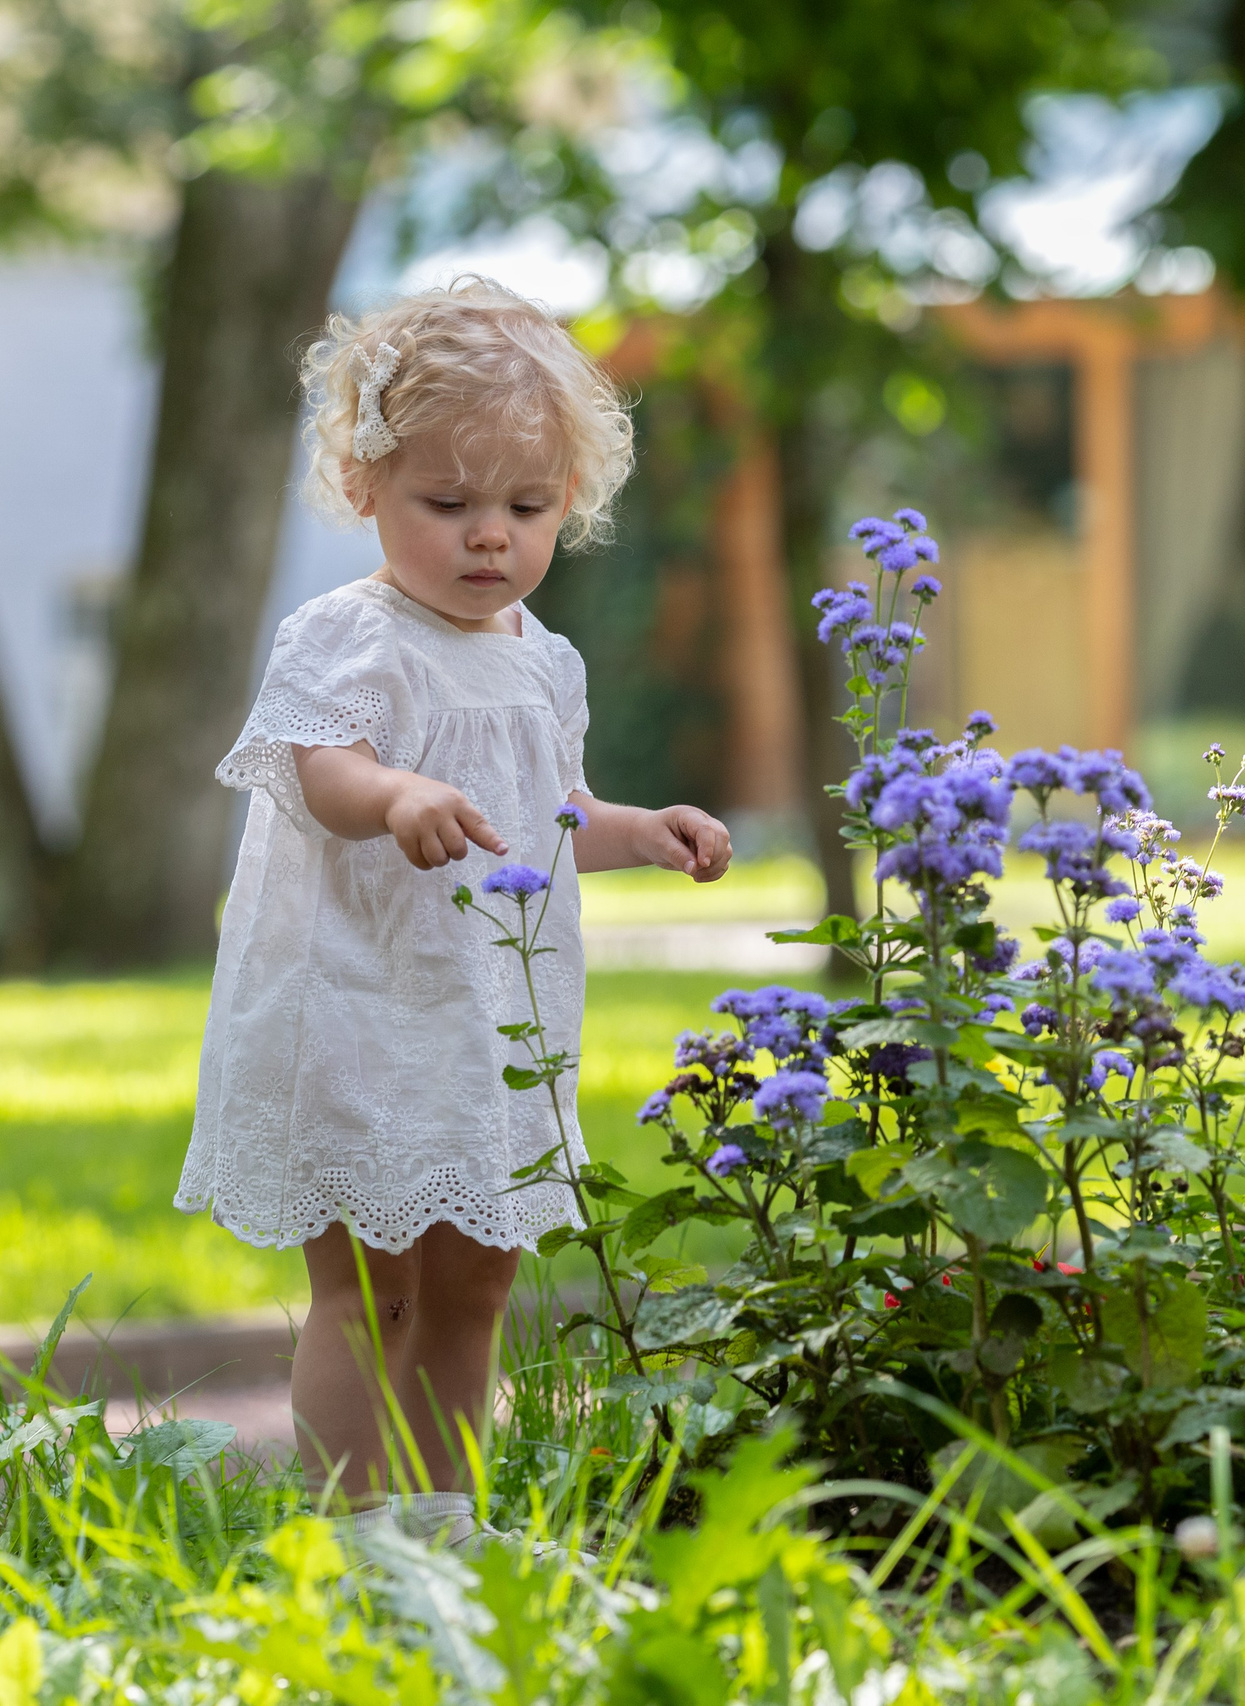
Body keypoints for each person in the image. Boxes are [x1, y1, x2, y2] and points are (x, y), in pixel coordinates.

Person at [174, 277, 731, 1532]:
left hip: (488, 1027)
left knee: (476, 1283)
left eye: (527, 507)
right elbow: (322, 772)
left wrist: (643, 831)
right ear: (367, 486)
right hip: (360, 1005)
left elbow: (554, 812)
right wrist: (394, 794)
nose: (491, 535)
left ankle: (442, 1524)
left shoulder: (544, 659)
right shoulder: (345, 638)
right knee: (373, 1290)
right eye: (451, 502)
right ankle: (350, 1528)